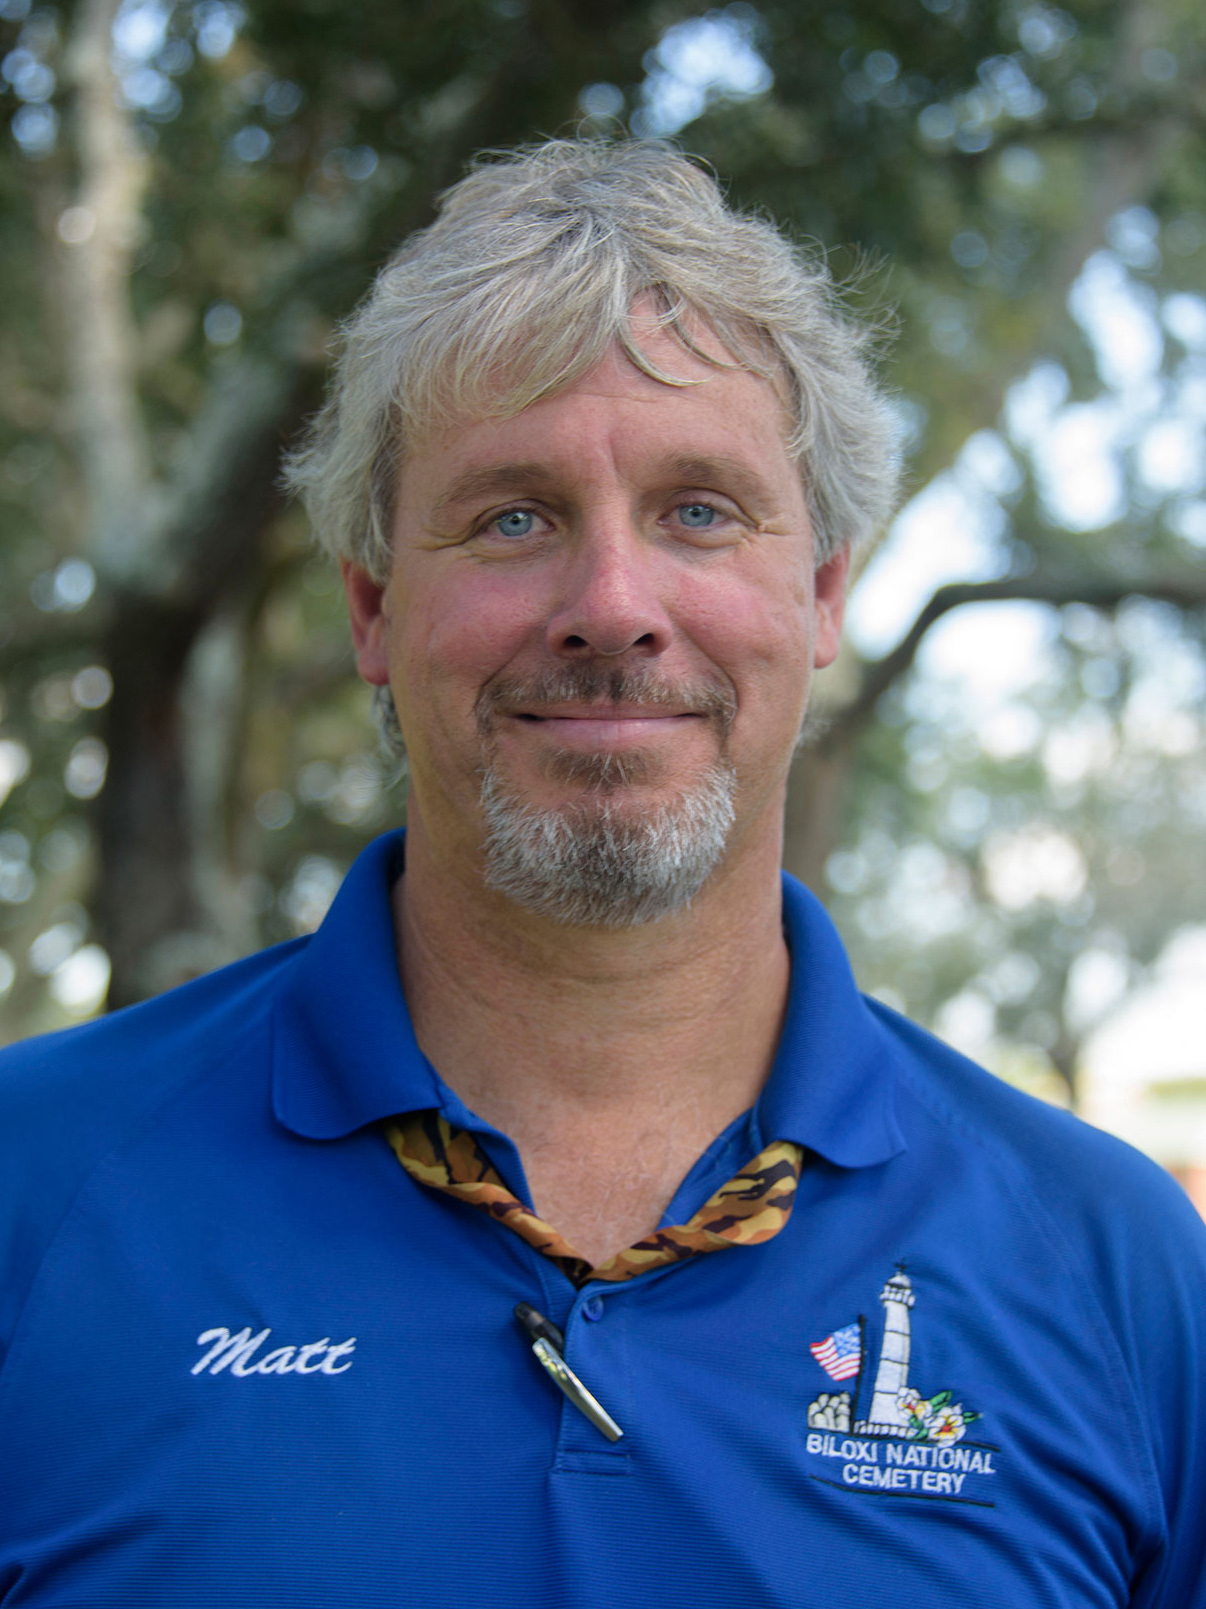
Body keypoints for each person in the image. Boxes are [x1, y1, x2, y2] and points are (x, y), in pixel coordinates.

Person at [0, 139, 1203, 1609]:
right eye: (513, 515)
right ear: (375, 608)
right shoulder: (35, 1190)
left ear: (820, 593)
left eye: (699, 508)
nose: (612, 607)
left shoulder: (1109, 1263)